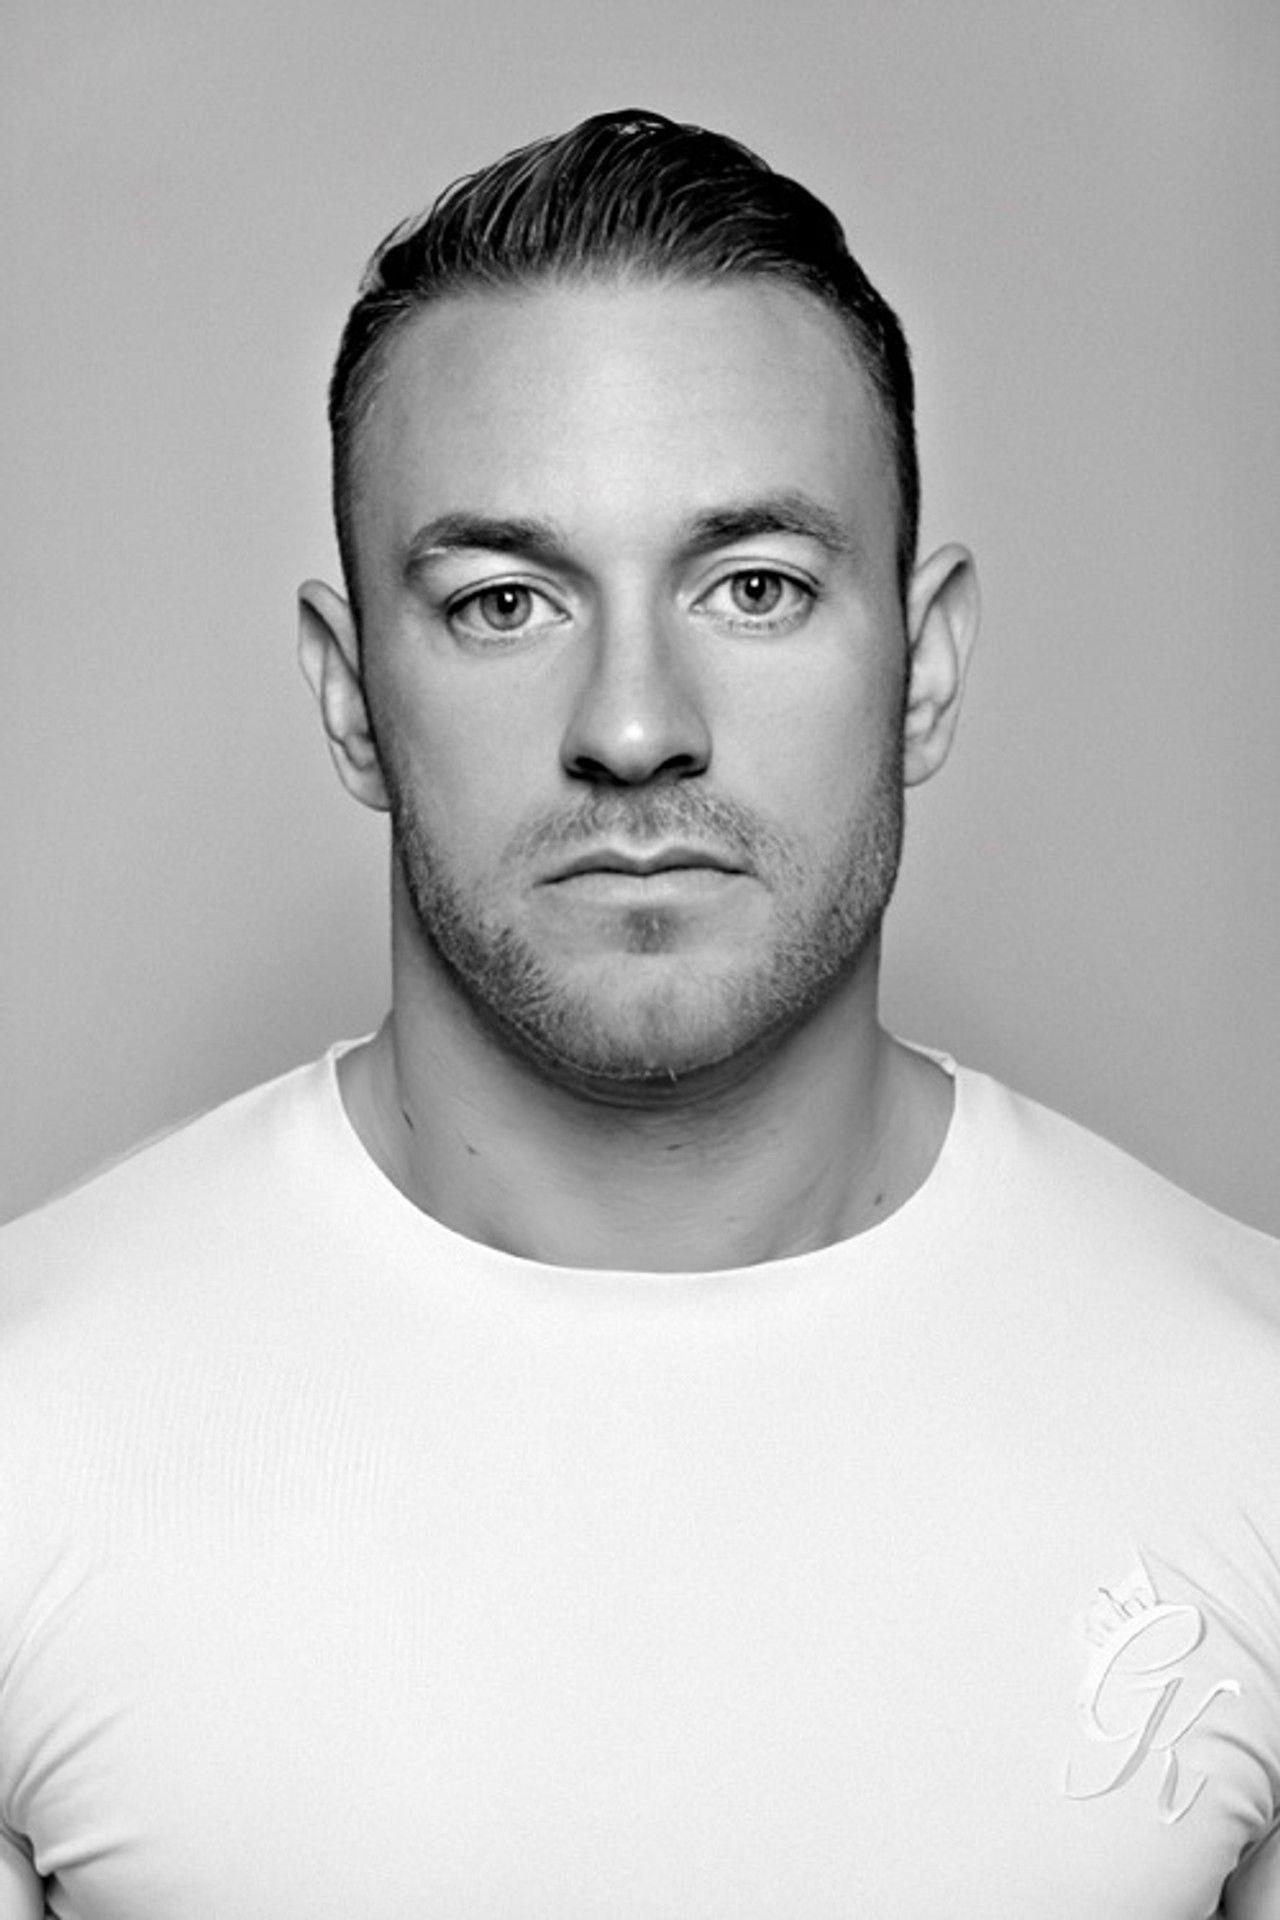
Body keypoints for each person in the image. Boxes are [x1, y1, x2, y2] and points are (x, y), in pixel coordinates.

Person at [1, 108, 1277, 1920]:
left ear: (923, 668)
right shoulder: (30, 1435)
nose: (632, 727)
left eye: (755, 587)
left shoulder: (1248, 1420)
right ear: (351, 694)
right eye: (504, 601)